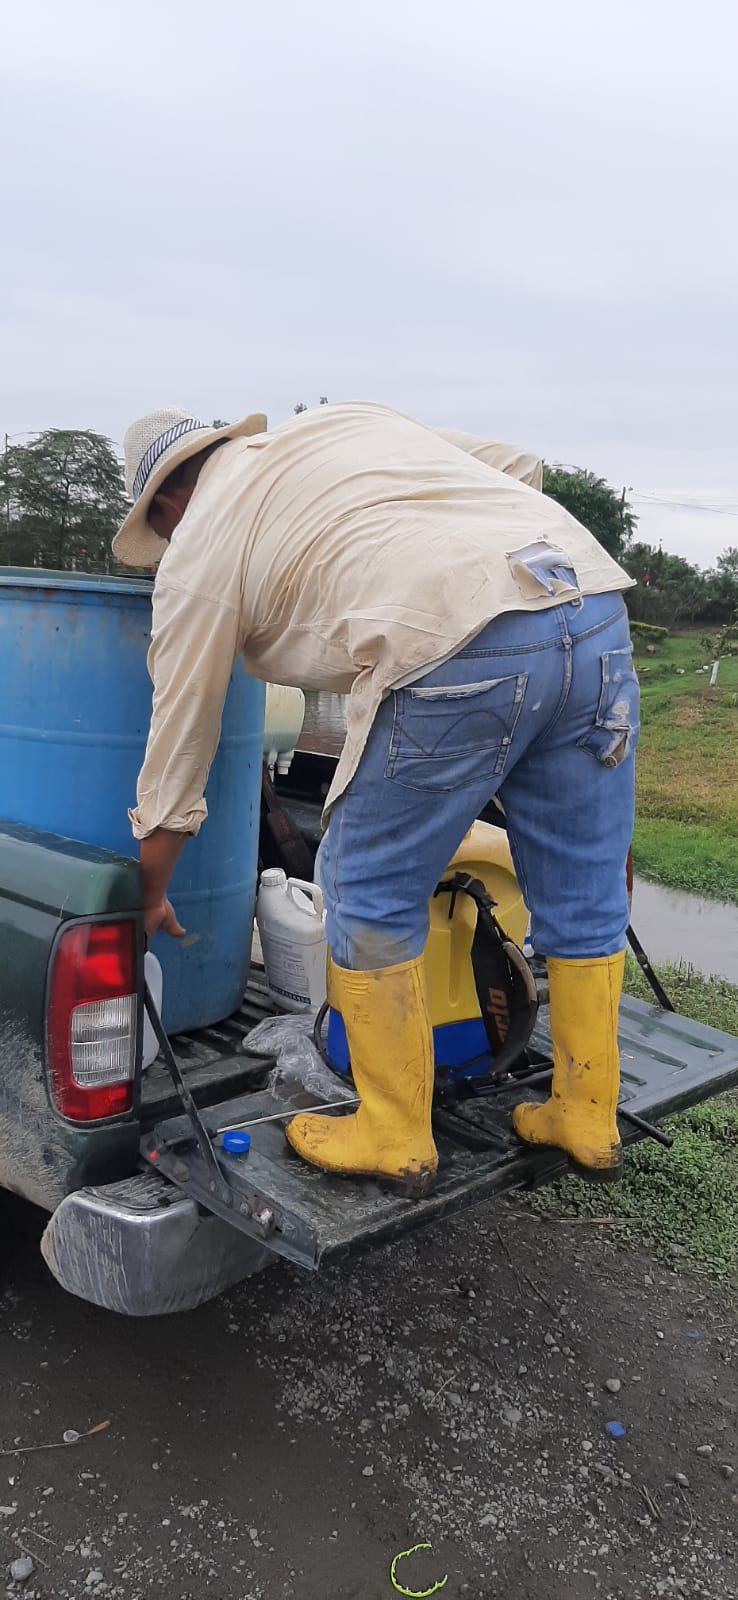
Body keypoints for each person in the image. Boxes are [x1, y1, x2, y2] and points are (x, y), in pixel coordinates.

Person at [113, 401, 639, 1195]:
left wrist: (149, 888)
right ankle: (586, 1112)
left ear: (164, 505)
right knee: (583, 885)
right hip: (588, 602)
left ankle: (393, 1131)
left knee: (364, 884)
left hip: (453, 637)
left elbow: (180, 734)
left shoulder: (199, 543)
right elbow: (519, 466)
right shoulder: (341, 425)